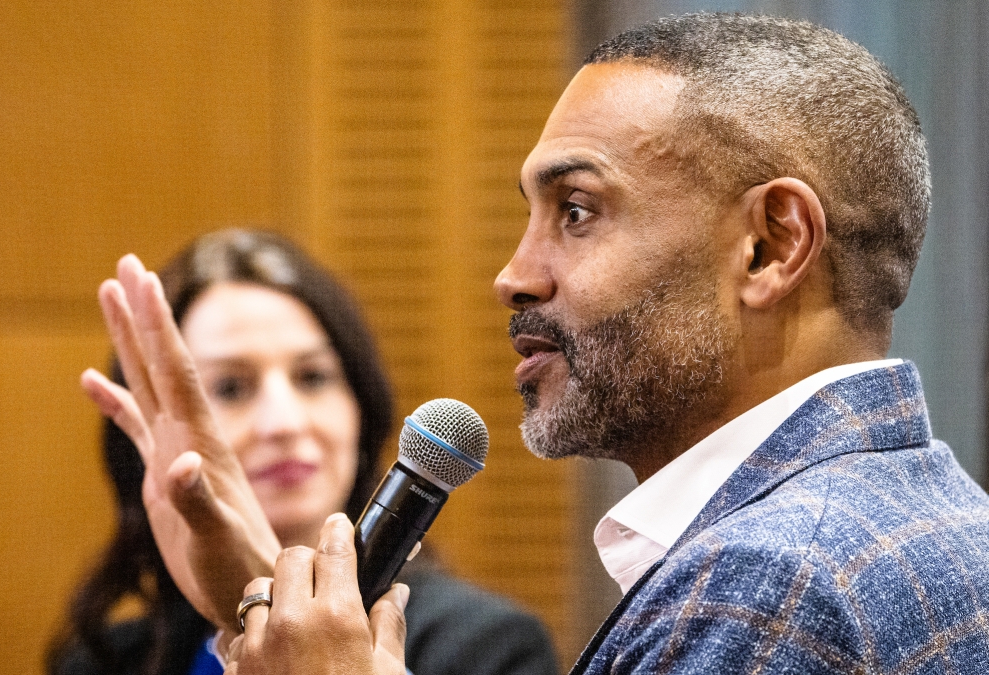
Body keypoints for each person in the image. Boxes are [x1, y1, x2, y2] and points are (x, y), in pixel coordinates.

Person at [82, 12, 989, 675]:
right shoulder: (937, 511)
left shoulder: (761, 593)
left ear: (770, 245)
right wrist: (271, 607)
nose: (514, 274)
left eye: (578, 212)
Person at [49, 229, 558, 675]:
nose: (285, 422)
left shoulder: (487, 650)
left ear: (362, 408)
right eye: (230, 388)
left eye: (313, 378)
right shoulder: (106, 660)